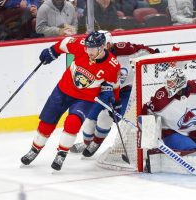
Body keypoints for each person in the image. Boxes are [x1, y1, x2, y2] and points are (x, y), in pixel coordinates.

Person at [20, 31, 121, 171]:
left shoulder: (112, 64)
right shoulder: (80, 46)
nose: (88, 51)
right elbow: (65, 43)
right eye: (87, 47)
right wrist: (53, 51)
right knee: (46, 122)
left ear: (102, 46)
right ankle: (34, 150)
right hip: (62, 91)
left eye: (92, 48)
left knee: (72, 123)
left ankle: (61, 154)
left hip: (84, 99)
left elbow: (114, 85)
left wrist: (114, 100)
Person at [70, 30, 159, 156]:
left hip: (124, 91)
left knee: (111, 117)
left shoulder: (125, 51)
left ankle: (97, 142)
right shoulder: (90, 57)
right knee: (90, 117)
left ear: (109, 45)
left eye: (102, 46)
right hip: (102, 92)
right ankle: (86, 143)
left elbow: (142, 50)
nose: (97, 49)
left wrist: (156, 54)